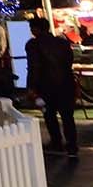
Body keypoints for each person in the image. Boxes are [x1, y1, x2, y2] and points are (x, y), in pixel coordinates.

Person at [24, 17, 78, 156]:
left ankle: (57, 142)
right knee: (67, 116)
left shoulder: (33, 45)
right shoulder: (62, 43)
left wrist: (31, 86)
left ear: (36, 29)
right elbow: (69, 61)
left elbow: (33, 67)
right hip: (66, 83)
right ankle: (72, 145)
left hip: (46, 85)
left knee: (49, 115)